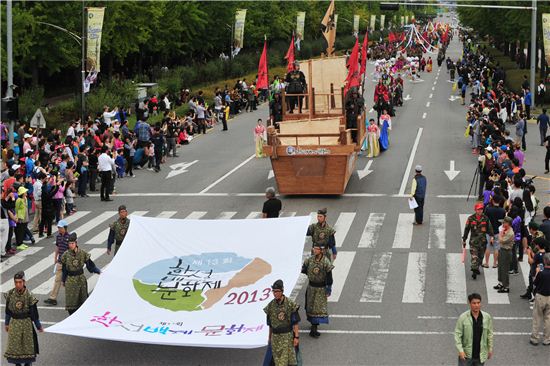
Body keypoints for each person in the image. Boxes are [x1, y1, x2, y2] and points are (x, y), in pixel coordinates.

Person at [3, 271, 43, 366]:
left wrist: (38, 326)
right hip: (15, 324)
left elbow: (34, 313)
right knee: (16, 348)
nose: (18, 284)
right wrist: (7, 323)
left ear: (24, 282)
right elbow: (8, 311)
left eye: (20, 282)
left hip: (26, 325)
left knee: (27, 348)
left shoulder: (29, 295)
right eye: (16, 282)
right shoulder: (10, 294)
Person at [61, 233, 101, 315]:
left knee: (83, 301)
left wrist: (98, 271)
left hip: (80, 280)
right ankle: (72, 317)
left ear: (76, 243)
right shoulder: (65, 255)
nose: (71, 245)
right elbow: (64, 269)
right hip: (70, 281)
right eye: (69, 243)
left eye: (72, 243)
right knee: (71, 302)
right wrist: (63, 280)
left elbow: (90, 265)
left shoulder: (82, 253)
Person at [263, 280, 300, 366]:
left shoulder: (290, 304)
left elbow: (295, 322)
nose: (275, 293)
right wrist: (269, 338)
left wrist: (296, 337)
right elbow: (270, 324)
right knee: (274, 361)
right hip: (275, 338)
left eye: (277, 291)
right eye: (274, 291)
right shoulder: (270, 306)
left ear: (282, 291)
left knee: (284, 362)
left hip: (286, 337)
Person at [302, 243, 333, 338]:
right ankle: (313, 325)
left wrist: (328, 288)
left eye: (316, 249)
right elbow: (304, 269)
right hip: (311, 287)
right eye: (314, 248)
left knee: (318, 308)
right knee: (310, 307)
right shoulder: (309, 260)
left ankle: (314, 328)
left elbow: (329, 276)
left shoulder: (325, 262)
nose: (314, 250)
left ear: (321, 250)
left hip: (320, 289)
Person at [454, 293, 494, 366]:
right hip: (466, 355)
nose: (476, 305)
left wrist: (490, 349)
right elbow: (457, 334)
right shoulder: (463, 317)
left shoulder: (486, 317)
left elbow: (489, 334)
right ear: (470, 303)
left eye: (478, 303)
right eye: (474, 303)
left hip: (480, 356)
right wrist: (460, 350)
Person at [462, 203, 495, 280]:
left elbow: (489, 228)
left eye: (481, 209)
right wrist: (464, 239)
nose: (480, 211)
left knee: (480, 257)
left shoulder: (485, 218)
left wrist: (492, 236)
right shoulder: (470, 219)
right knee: (474, 256)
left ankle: (477, 267)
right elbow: (466, 229)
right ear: (475, 210)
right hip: (474, 242)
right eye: (478, 209)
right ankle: (474, 270)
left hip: (483, 242)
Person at [43, 220, 70, 306]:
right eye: (58, 227)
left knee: (68, 281)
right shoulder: (58, 236)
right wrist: (55, 257)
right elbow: (57, 247)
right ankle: (53, 298)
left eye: (60, 227)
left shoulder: (69, 237)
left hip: (68, 264)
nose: (58, 229)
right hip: (60, 262)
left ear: (65, 228)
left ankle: (73, 298)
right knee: (57, 280)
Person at [530, 253, 550, 346]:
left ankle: (535, 338)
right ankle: (547, 339)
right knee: (548, 318)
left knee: (537, 317)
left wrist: (537, 272)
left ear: (545, 261)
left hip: (540, 296)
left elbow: (535, 283)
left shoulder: (541, 272)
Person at [483, 196, 505, 269]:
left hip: (488, 231)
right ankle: (495, 263)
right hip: (498, 231)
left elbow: (485, 219)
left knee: (488, 247)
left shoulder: (488, 209)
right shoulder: (502, 210)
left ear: (492, 201)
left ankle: (486, 263)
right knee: (496, 248)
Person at [494, 216, 515, 293]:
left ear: (508, 224)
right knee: (500, 267)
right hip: (502, 250)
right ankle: (500, 283)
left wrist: (500, 233)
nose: (502, 223)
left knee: (505, 269)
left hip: (506, 252)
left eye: (504, 222)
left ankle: (506, 286)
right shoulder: (506, 230)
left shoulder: (510, 233)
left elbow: (501, 240)